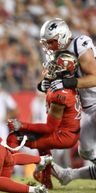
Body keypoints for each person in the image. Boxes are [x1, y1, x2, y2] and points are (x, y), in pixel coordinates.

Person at [8, 50, 81, 189]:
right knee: (43, 145)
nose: (51, 69)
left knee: (14, 138)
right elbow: (45, 86)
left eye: (56, 67)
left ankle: (2, 179)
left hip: (64, 135)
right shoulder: (65, 85)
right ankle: (46, 180)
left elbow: (49, 128)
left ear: (65, 71)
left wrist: (21, 125)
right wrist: (42, 86)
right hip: (68, 131)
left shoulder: (60, 95)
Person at [38, 18, 96, 165]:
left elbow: (95, 78)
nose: (49, 46)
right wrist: (45, 84)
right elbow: (54, 80)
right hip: (86, 107)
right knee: (86, 151)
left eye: (51, 42)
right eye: (47, 42)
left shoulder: (80, 44)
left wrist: (67, 82)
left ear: (62, 36)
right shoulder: (54, 54)